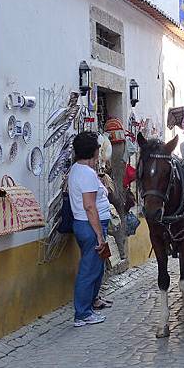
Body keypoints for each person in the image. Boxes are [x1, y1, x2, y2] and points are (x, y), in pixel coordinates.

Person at [69, 131, 112, 327]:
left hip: (87, 225)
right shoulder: (85, 173)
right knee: (88, 270)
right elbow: (89, 206)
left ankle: (92, 303)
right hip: (90, 226)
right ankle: (83, 314)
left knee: (95, 267)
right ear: (94, 151)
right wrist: (99, 235)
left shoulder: (79, 170)